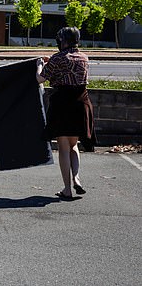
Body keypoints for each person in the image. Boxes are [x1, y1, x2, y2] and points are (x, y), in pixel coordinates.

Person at [36, 27, 96, 200]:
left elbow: (40, 78)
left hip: (63, 103)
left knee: (63, 147)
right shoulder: (84, 58)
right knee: (73, 145)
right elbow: (69, 71)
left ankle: (67, 189)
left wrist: (40, 65)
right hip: (81, 103)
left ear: (63, 41)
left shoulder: (58, 58)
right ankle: (76, 178)